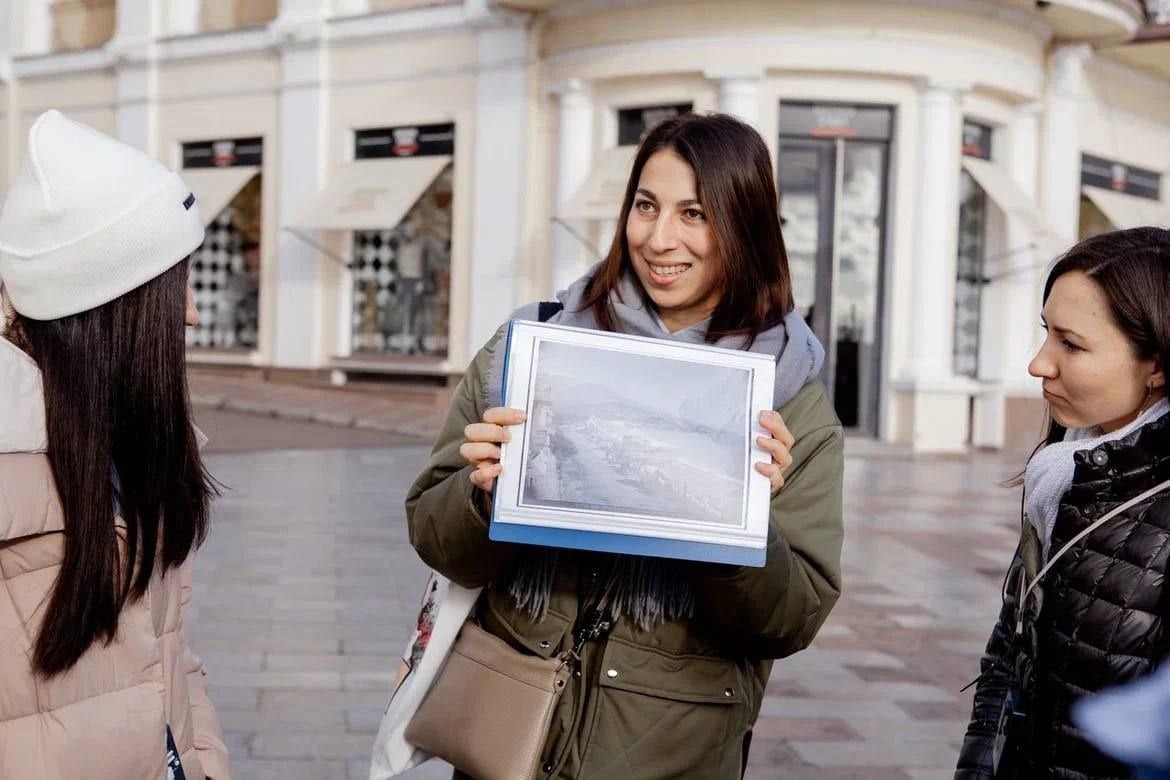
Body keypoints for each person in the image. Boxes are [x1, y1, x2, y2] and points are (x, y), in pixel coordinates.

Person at [405, 112, 844, 778]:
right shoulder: (527, 350)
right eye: (646, 206)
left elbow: (790, 619)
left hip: (669, 752)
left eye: (695, 213)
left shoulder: (789, 401)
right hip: (506, 732)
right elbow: (434, 535)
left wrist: (742, 523)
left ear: (744, 225)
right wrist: (482, 494)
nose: (661, 238)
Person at [0, 110, 230, 779]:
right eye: (175, 285)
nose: (189, 312)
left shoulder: (138, 440)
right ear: (112, 305)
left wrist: (204, 765)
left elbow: (169, 653)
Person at [957, 227, 1170, 779]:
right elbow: (1007, 658)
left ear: (1158, 365)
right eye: (1047, 333)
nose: (1038, 363)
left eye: (1070, 345)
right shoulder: (1069, 471)